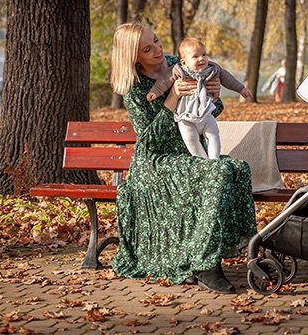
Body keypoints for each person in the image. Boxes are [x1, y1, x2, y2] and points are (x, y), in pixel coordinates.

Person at [109, 22, 257, 294]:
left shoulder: (182, 62)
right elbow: (150, 140)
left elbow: (211, 110)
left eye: (156, 41)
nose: (158, 50)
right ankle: (206, 266)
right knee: (216, 172)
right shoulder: (136, 88)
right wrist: (172, 98)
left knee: (236, 167)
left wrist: (214, 94)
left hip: (190, 151)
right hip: (155, 161)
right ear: (134, 57)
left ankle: (244, 249)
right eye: (147, 48)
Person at [147, 38, 252, 159]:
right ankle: (202, 160)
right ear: (184, 62)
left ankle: (214, 159)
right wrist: (154, 92)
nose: (201, 59)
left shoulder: (212, 70)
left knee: (213, 134)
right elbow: (164, 82)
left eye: (204, 54)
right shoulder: (178, 70)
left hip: (205, 114)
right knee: (190, 138)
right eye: (195, 56)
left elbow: (228, 79)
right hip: (185, 116)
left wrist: (241, 89)